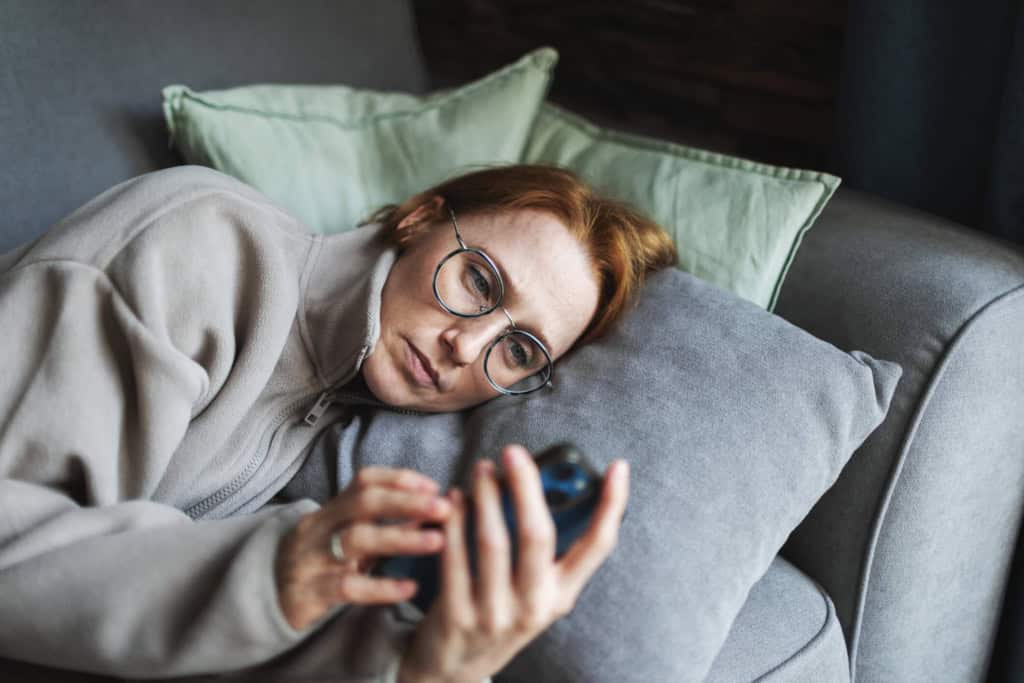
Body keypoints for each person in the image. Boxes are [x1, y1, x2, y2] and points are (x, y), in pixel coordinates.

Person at [0, 163, 676, 682]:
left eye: (518, 349)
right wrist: (268, 575)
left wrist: (428, 666)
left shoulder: (337, 417)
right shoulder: (200, 241)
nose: (466, 349)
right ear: (417, 219)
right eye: (479, 281)